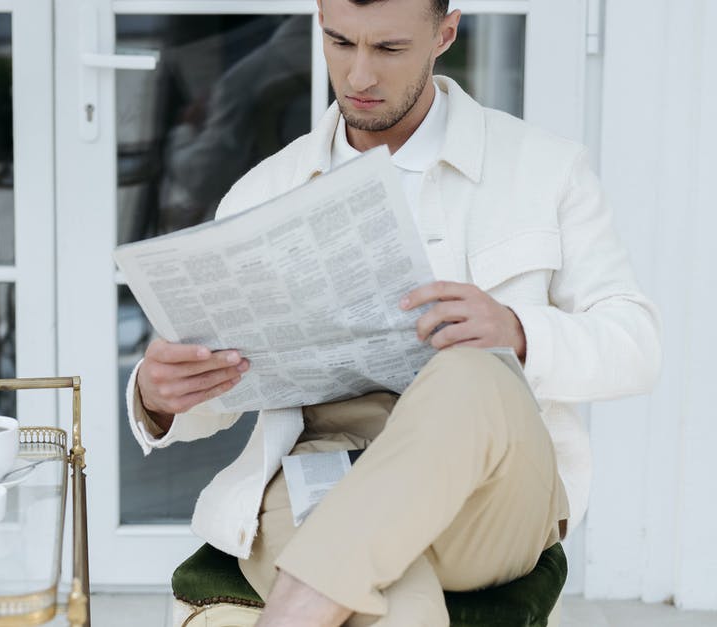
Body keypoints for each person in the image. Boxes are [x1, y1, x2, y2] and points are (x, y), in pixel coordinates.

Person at [124, 0, 661, 625]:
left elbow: (638, 346)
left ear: (445, 35)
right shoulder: (265, 191)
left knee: (471, 371)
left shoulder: (545, 170)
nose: (358, 77)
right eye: (340, 42)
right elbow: (218, 388)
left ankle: (296, 603)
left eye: (388, 49)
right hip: (319, 473)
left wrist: (518, 334)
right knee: (379, 582)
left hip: (491, 493)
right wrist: (159, 397)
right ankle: (309, 600)